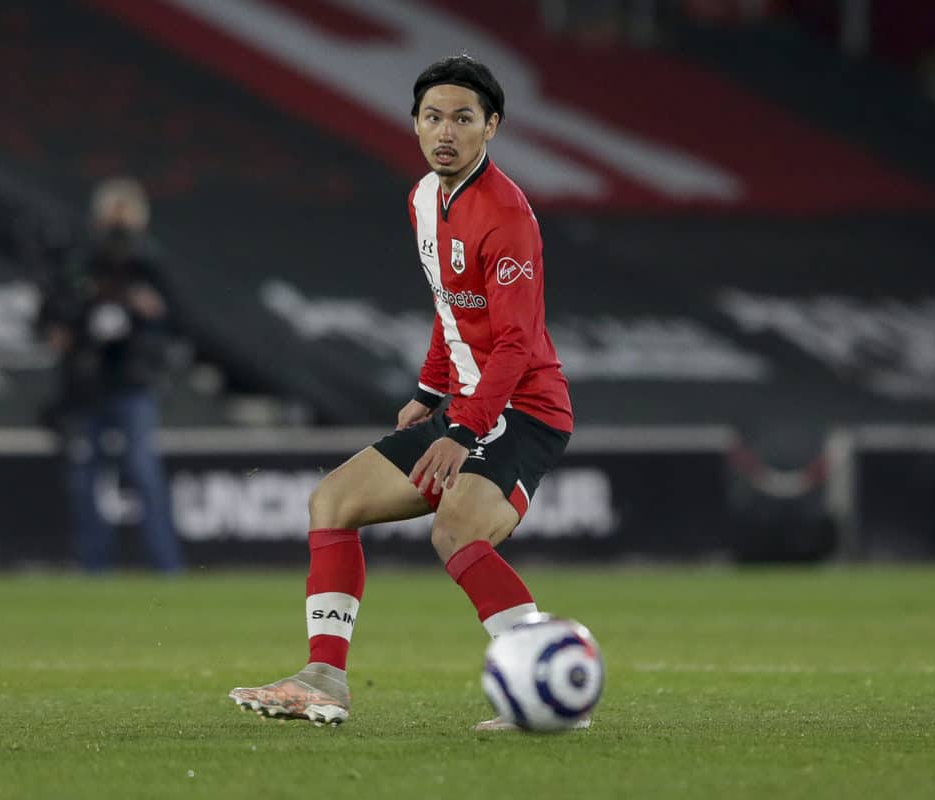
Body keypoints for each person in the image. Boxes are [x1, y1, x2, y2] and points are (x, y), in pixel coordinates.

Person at [229, 55, 577, 730]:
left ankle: (549, 682)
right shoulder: (423, 197)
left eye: (463, 118)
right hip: (467, 403)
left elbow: (516, 345)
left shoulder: (507, 219)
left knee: (454, 532)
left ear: (492, 127)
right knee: (332, 500)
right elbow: (450, 307)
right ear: (416, 125)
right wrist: (430, 390)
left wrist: (463, 430)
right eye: (432, 117)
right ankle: (324, 677)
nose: (445, 131)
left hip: (521, 409)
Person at [36, 177, 183, 574]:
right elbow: (48, 316)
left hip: (132, 384)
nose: (118, 231)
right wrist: (64, 328)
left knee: (141, 470)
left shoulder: (151, 266)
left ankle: (166, 567)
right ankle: (92, 567)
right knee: (85, 476)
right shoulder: (76, 264)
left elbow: (178, 321)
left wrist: (152, 312)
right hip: (87, 384)